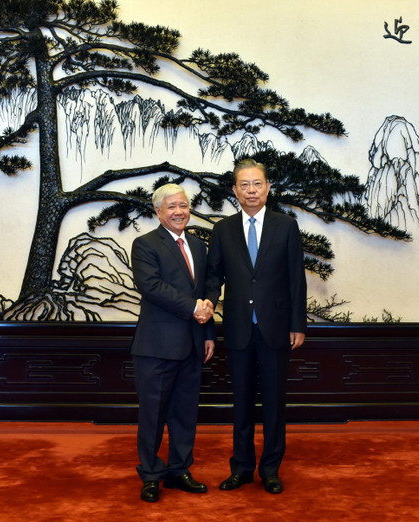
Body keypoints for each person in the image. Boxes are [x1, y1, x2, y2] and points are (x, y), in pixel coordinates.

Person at [205, 158, 307, 495]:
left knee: (275, 404)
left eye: (257, 184)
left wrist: (298, 324)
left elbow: (296, 278)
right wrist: (206, 304)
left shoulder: (286, 226)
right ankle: (242, 468)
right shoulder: (223, 229)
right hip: (237, 329)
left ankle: (271, 469)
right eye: (244, 185)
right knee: (242, 402)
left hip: (276, 328)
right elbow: (214, 275)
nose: (251, 190)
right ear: (235, 190)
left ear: (268, 187)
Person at [130, 183, 216, 503]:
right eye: (172, 207)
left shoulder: (197, 245)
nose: (179, 211)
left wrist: (208, 334)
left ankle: (180, 470)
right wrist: (194, 308)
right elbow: (150, 286)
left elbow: (204, 293)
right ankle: (151, 474)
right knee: (153, 414)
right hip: (156, 347)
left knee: (184, 414)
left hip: (193, 345)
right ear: (158, 211)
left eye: (183, 205)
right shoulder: (145, 244)